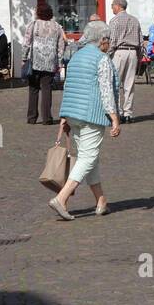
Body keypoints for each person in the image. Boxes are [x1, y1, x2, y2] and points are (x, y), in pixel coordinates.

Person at [48, 21, 122, 220]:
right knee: (88, 158)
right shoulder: (102, 59)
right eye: (108, 40)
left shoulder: (75, 57)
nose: (109, 43)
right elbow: (106, 91)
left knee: (89, 158)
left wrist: (64, 115)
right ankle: (61, 198)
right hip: (91, 114)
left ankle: (101, 201)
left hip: (73, 113)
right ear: (103, 40)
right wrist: (114, 117)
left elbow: (69, 86)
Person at [22, 3, 65, 125]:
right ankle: (47, 118)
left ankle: (31, 117)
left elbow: (26, 43)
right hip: (50, 61)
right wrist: (60, 62)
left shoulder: (33, 25)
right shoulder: (57, 26)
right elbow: (61, 47)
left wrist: (24, 58)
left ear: (38, 13)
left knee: (33, 88)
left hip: (35, 61)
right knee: (47, 89)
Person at [107, 0, 142, 124]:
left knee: (115, 84)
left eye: (112, 5)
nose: (112, 8)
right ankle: (128, 113)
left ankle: (117, 112)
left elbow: (112, 40)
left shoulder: (115, 21)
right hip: (132, 52)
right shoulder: (135, 20)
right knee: (129, 84)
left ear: (118, 5)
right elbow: (140, 40)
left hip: (119, 52)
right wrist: (139, 56)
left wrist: (107, 55)